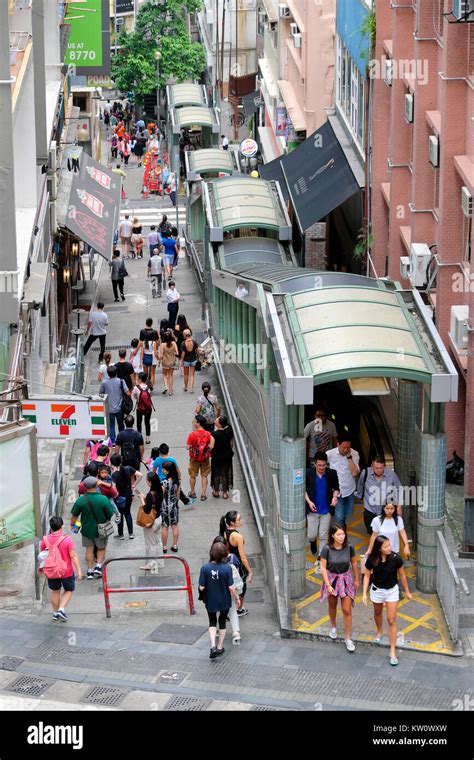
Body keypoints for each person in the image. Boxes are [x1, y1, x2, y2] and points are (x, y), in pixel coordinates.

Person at [362, 535, 413, 665]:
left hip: (392, 591)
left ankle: (392, 650)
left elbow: (402, 575)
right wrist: (364, 594)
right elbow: (367, 575)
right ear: (379, 549)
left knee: (391, 620)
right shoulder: (372, 560)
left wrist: (407, 591)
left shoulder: (396, 558)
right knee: (377, 613)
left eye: (389, 545)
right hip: (377, 590)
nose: (389, 548)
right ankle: (379, 631)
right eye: (386, 546)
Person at [320, 524, 360, 652]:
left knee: (347, 609)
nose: (341, 537)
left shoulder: (349, 547)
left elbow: (354, 562)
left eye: (343, 534)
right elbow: (323, 567)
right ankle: (333, 626)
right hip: (332, 579)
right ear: (332, 535)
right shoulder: (326, 549)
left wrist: (356, 579)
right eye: (338, 534)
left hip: (346, 579)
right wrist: (328, 585)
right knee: (332, 605)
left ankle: (348, 638)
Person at [199, 541, 240, 659]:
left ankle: (212, 646)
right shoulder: (227, 568)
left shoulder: (205, 568)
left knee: (212, 621)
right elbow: (231, 587)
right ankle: (220, 647)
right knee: (222, 622)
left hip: (210, 599)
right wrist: (237, 598)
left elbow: (202, 587)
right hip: (224, 600)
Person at [70, 476, 115, 579]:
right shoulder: (103, 499)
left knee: (89, 549)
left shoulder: (81, 500)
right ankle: (98, 567)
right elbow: (110, 514)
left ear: (85, 486)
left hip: (86, 529)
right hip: (101, 529)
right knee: (101, 547)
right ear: (96, 485)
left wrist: (74, 525)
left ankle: (90, 571)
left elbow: (74, 516)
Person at [40, 515, 83, 620]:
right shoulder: (67, 540)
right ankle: (61, 609)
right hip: (66, 571)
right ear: (62, 526)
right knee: (68, 590)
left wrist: (41, 569)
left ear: (51, 527)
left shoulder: (45, 540)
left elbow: (42, 556)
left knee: (55, 591)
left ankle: (55, 613)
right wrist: (79, 570)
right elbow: (73, 556)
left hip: (51, 571)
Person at [305, 452, 340, 570]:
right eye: (319, 465)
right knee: (312, 534)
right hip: (313, 510)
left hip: (326, 510)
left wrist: (335, 498)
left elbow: (336, 488)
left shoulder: (331, 473)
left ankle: (321, 556)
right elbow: (303, 490)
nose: (321, 468)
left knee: (324, 535)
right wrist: (309, 502)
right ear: (315, 464)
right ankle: (313, 542)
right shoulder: (308, 473)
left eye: (324, 465)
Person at [356, 456, 403, 535]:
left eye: (381, 468)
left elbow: (399, 489)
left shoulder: (391, 474)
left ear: (384, 466)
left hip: (386, 510)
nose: (379, 470)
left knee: (385, 533)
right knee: (372, 533)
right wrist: (360, 496)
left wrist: (399, 505)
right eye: (376, 468)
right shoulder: (365, 473)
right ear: (372, 466)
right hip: (370, 509)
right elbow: (360, 485)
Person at [219, 511, 253, 616]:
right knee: (241, 586)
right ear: (232, 523)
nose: (241, 521)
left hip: (228, 561)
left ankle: (229, 606)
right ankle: (239, 608)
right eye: (239, 519)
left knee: (229, 584)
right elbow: (243, 557)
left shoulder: (225, 532)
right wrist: (250, 571)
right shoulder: (238, 537)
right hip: (238, 565)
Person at [211, 536, 243, 645]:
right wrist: (237, 597)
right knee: (233, 611)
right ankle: (236, 633)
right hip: (230, 592)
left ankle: (218, 630)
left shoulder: (210, 566)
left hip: (217, 592)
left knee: (219, 612)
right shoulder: (231, 563)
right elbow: (233, 583)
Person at [326, 435, 360, 528]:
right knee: (339, 515)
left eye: (348, 447)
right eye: (343, 447)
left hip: (349, 489)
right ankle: (341, 531)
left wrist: (349, 458)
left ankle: (342, 524)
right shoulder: (329, 454)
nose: (346, 450)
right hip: (337, 490)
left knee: (348, 513)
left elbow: (354, 473)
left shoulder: (354, 454)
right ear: (338, 444)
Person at [152, 442, 196, 506]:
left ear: (160, 452)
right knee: (177, 490)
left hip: (160, 479)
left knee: (161, 492)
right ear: (168, 451)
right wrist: (179, 477)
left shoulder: (157, 460)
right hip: (171, 478)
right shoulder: (172, 459)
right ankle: (184, 501)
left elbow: (154, 471)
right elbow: (177, 470)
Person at [136, 473, 165, 572]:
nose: (146, 482)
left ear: (150, 481)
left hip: (151, 522)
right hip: (158, 518)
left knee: (150, 543)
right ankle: (160, 562)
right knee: (158, 541)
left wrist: (141, 499)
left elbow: (147, 509)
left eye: (147, 480)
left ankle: (151, 564)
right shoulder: (160, 489)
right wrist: (146, 498)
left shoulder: (150, 494)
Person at [110, 453, 142, 539]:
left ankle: (121, 534)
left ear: (112, 463)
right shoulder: (128, 468)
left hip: (119, 497)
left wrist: (115, 494)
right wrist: (134, 485)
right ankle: (131, 533)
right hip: (128, 495)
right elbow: (140, 475)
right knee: (128, 513)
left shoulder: (114, 475)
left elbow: (113, 486)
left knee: (119, 514)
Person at [99, 365, 130, 444]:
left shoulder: (104, 383)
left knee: (111, 426)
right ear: (116, 373)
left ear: (108, 374)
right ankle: (122, 440)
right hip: (119, 408)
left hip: (109, 408)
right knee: (121, 425)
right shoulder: (121, 381)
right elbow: (128, 393)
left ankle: (113, 441)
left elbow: (101, 394)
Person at [187, 415, 215, 500]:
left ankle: (192, 492)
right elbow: (211, 446)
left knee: (193, 476)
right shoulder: (208, 434)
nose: (193, 422)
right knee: (204, 476)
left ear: (198, 424)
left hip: (194, 459)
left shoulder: (192, 434)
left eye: (194, 421)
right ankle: (203, 494)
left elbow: (188, 446)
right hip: (205, 459)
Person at [211, 416, 234, 499]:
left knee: (216, 474)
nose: (216, 419)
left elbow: (211, 446)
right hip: (226, 456)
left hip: (217, 456)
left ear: (219, 424)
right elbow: (231, 444)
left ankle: (216, 492)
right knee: (225, 474)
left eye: (217, 419)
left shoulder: (214, 434)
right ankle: (225, 493)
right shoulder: (229, 432)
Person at [160, 460, 181, 553]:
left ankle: (164, 547)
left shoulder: (164, 482)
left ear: (168, 471)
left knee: (165, 526)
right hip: (174, 506)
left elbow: (161, 494)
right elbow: (178, 496)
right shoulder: (177, 481)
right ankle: (175, 545)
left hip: (165, 506)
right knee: (174, 525)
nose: (162, 470)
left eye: (164, 469)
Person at [132, 372, 154, 444]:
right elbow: (150, 396)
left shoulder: (136, 388)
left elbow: (135, 397)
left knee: (139, 423)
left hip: (140, 408)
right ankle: (148, 439)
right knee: (147, 423)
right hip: (148, 408)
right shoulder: (148, 387)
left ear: (140, 379)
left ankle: (139, 437)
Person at [139, 317, 160, 390]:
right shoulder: (154, 333)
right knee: (152, 374)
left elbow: (140, 344)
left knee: (145, 374)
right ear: (152, 323)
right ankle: (151, 387)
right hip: (152, 358)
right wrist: (159, 359)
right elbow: (157, 342)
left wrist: (140, 360)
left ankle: (145, 387)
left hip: (145, 357)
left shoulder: (142, 334)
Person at [159, 330, 179, 396]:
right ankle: (170, 391)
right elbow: (177, 353)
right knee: (170, 376)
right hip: (172, 361)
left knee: (164, 375)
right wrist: (173, 352)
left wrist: (159, 362)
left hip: (165, 362)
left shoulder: (162, 345)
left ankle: (166, 387)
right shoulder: (173, 343)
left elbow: (161, 355)